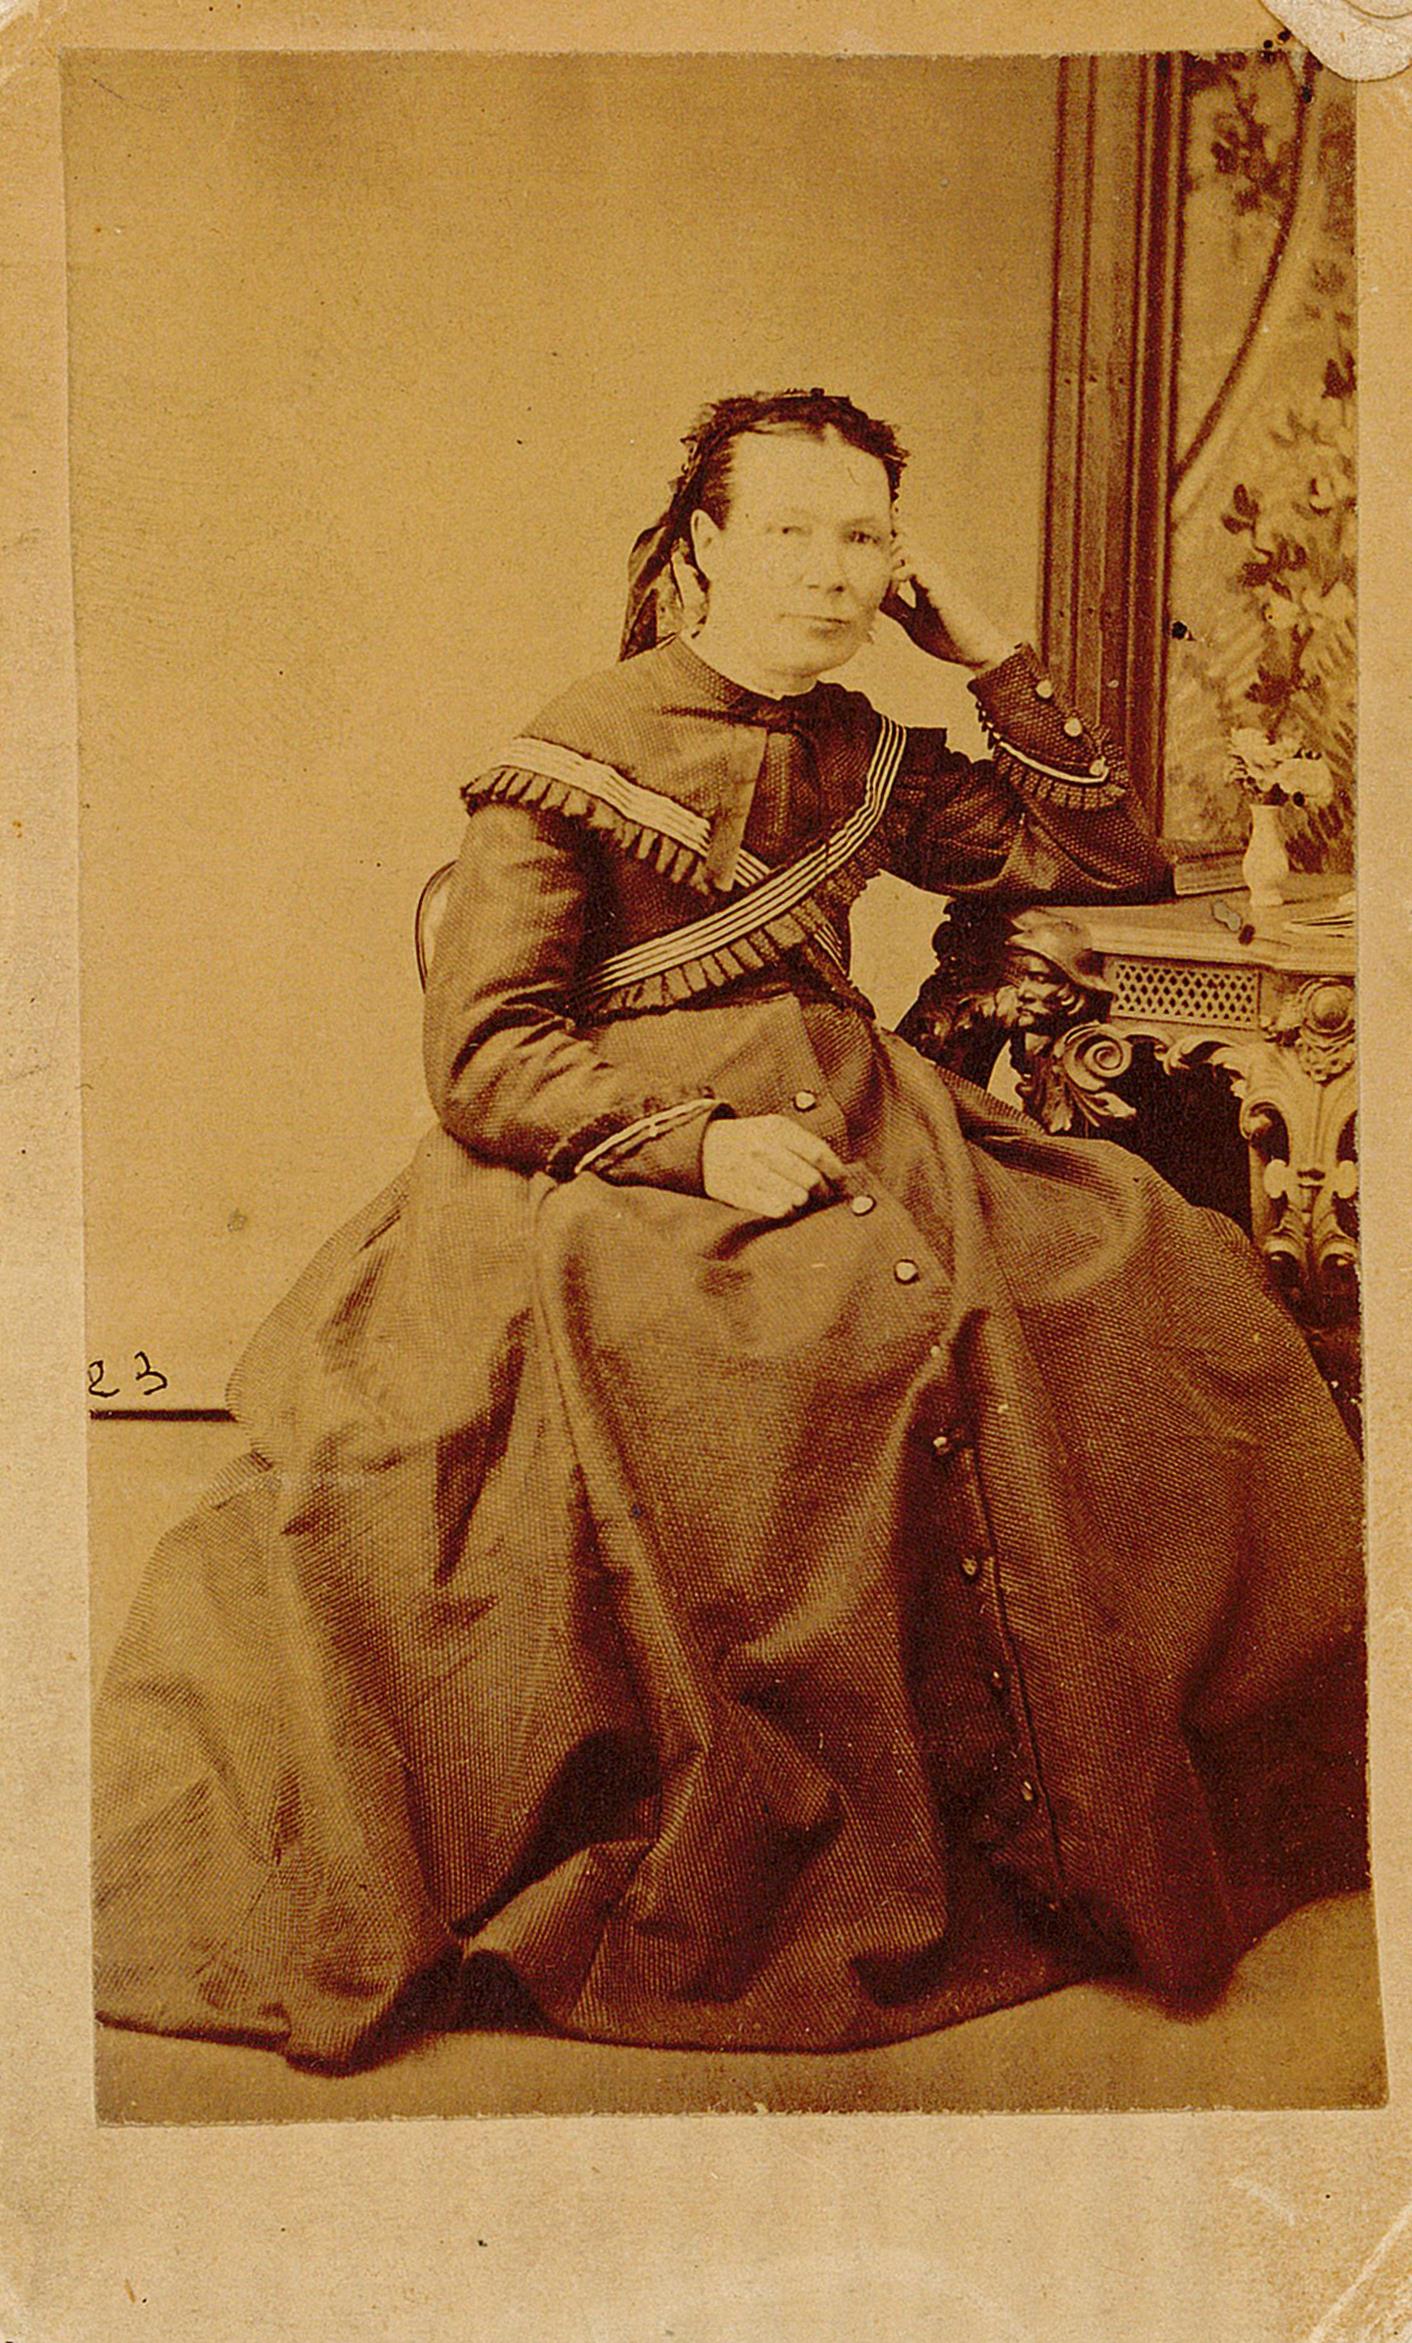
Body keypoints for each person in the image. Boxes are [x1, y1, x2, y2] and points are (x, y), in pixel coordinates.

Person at [93, 390, 1367, 2076]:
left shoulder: (866, 747)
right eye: (790, 533)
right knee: (778, 1342)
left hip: (856, 1110)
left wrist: (981, 645)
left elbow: (1102, 846)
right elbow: (483, 1052)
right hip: (608, 1162)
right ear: (702, 549)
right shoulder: (572, 749)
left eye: (865, 540)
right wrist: (692, 1148)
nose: (832, 575)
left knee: (1133, 1263)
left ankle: (1076, 1795)